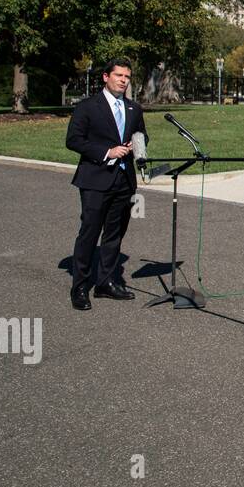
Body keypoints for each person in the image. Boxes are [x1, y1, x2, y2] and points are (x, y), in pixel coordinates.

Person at [65, 57, 147, 311]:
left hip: (124, 181)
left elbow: (142, 134)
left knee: (114, 235)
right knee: (89, 233)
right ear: (105, 77)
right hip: (95, 179)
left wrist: (139, 146)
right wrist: (107, 152)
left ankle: (106, 283)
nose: (123, 80)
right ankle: (80, 285)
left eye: (127, 77)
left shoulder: (133, 109)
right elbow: (74, 140)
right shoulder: (88, 107)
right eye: (119, 75)